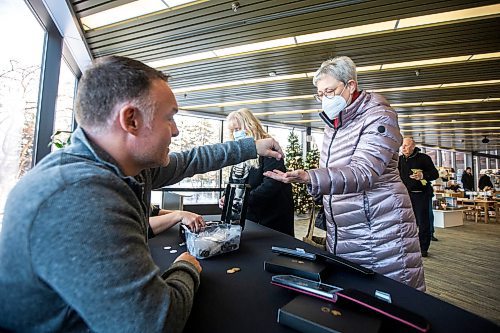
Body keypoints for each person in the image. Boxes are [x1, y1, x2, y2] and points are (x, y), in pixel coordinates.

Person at [0, 56, 284, 332]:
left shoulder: (126, 168)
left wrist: (250, 147)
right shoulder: (77, 195)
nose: (175, 130)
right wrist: (185, 266)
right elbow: (155, 323)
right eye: (169, 118)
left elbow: (190, 160)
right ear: (131, 120)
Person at [264, 56, 425, 291]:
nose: (324, 99)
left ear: (350, 86)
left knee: (391, 301)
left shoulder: (379, 116)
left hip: (379, 227)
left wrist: (310, 177)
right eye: (320, 94)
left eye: (329, 91)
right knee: (354, 300)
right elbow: (334, 171)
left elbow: (364, 172)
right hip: (346, 228)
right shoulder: (334, 124)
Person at [219, 108, 294, 236]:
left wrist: (241, 200)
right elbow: (234, 181)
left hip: (271, 218)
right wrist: (227, 196)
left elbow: (271, 184)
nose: (235, 134)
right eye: (233, 131)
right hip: (250, 216)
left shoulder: (269, 148)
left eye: (237, 129)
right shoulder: (240, 153)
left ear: (250, 127)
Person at [399, 138, 439, 258]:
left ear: (413, 147)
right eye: (403, 146)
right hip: (405, 195)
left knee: (423, 223)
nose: (403, 148)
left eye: (406, 146)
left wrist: (423, 175)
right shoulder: (400, 159)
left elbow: (435, 174)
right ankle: (407, 246)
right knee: (405, 222)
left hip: (421, 195)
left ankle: (423, 248)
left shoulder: (424, 158)